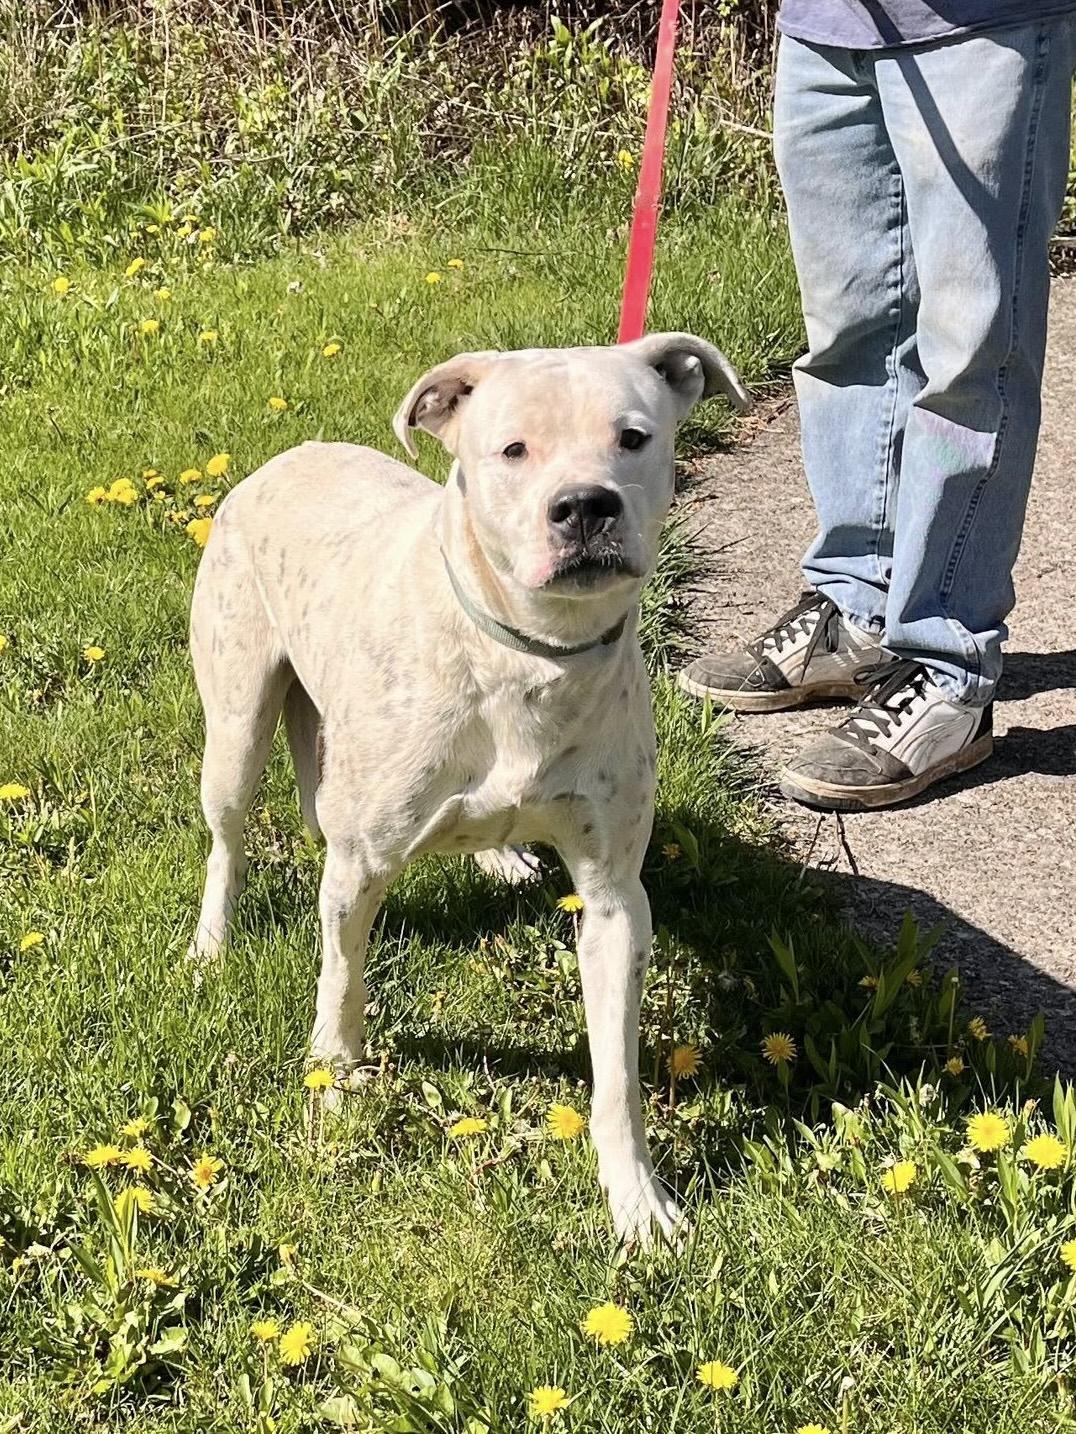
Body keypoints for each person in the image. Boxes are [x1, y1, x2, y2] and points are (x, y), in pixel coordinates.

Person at [679, 3, 1076, 812]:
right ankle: (857, 602)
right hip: (827, 24)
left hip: (981, 23)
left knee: (972, 356)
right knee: (850, 335)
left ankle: (946, 664)